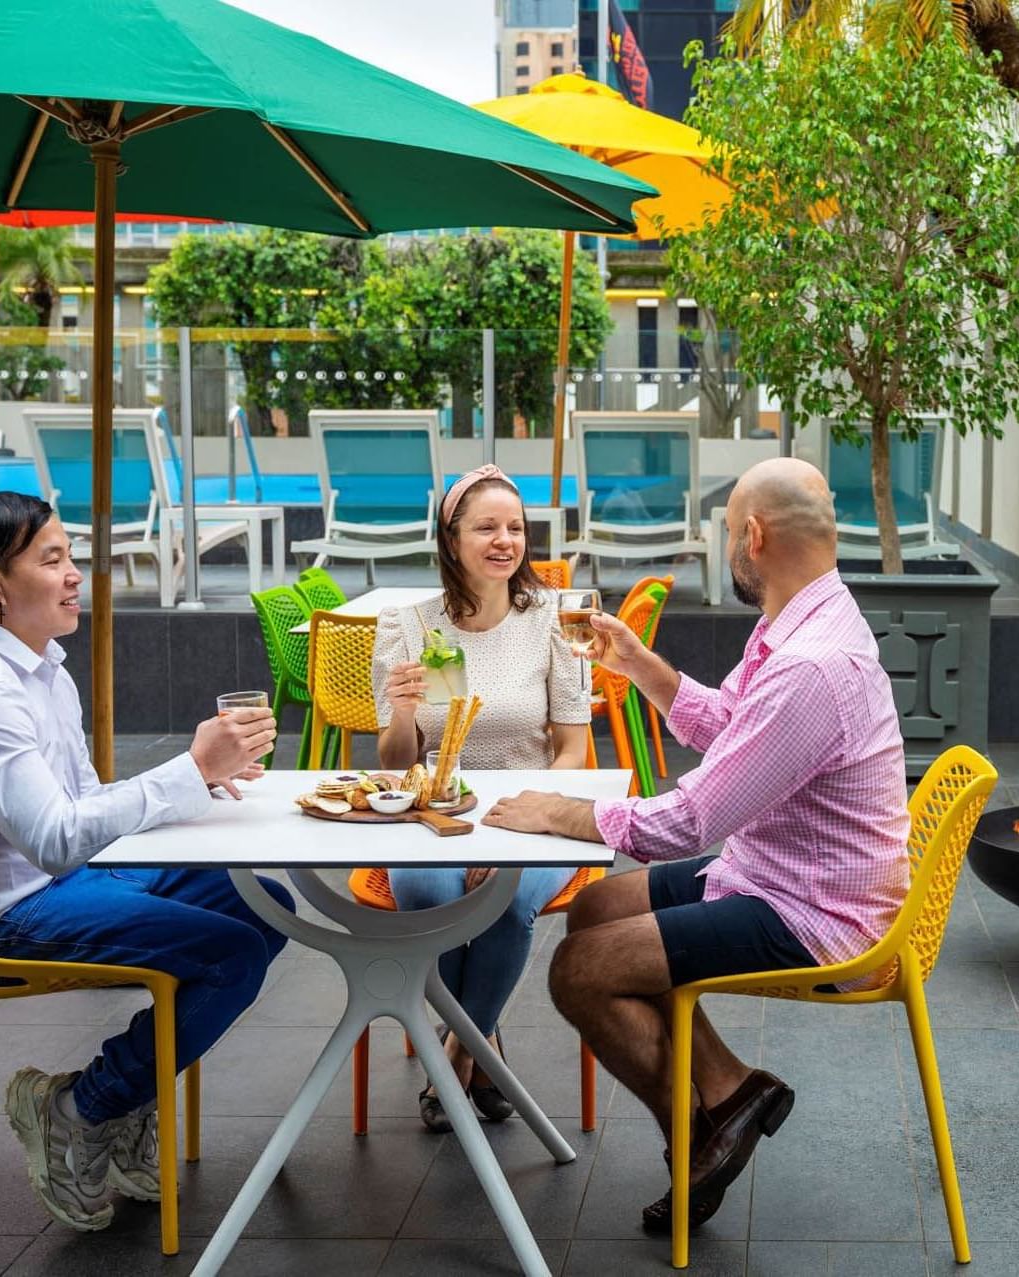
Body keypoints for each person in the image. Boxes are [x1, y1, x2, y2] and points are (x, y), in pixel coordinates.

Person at [481, 457, 909, 1233]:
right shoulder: (801, 622)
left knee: (580, 970)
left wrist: (561, 812)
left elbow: (686, 823)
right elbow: (731, 731)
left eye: (726, 533)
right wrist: (639, 665)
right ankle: (726, 1096)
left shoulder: (812, 665)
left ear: (752, 535)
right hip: (778, 871)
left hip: (816, 912)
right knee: (597, 909)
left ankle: (704, 1119)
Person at [0, 492, 287, 1233]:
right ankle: (82, 1105)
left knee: (265, 900)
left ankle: (122, 1103)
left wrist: (199, 781)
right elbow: (57, 839)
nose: (74, 575)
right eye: (52, 559)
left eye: (71, 556)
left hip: (78, 876)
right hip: (20, 907)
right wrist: (186, 768)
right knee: (232, 951)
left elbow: (89, 806)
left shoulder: (48, 672)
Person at [371, 464, 591, 1132]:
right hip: (435, 814)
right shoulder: (407, 625)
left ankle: (457, 1054)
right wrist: (403, 713)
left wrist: (522, 831)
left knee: (504, 904)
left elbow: (574, 750)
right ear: (450, 536)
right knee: (426, 896)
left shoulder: (556, 617)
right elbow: (394, 762)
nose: (506, 540)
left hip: (536, 815)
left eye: (516, 527)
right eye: (487, 526)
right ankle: (483, 1041)